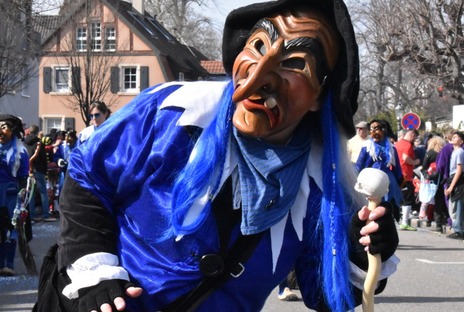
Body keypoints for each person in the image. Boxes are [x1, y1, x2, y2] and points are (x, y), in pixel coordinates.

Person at [38, 1, 399, 311]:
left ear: (321, 95)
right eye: (258, 46)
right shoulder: (171, 114)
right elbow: (88, 174)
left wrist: (361, 248)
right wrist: (96, 272)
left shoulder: (320, 189)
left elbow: (327, 294)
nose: (259, 76)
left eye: (295, 63)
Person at [0, 114, 29, 276]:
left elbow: (23, 175)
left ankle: (9, 263)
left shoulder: (21, 151)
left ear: (13, 131)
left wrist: (23, 196)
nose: (0, 131)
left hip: (11, 191)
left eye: (5, 127)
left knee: (11, 225)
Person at [355, 119, 404, 223]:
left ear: (384, 130)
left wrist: (399, 182)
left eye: (376, 129)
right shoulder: (367, 146)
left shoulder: (391, 147)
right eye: (371, 129)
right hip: (370, 178)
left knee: (386, 207)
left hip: (387, 180)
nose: (373, 133)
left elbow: (397, 168)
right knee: (369, 206)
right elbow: (359, 165)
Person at [395, 128, 420, 230]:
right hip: (406, 176)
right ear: (412, 136)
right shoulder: (408, 145)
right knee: (407, 199)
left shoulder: (398, 143)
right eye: (415, 138)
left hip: (397, 174)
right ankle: (405, 222)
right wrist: (415, 162)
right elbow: (405, 158)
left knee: (398, 199)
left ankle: (397, 219)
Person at [445, 131, 464, 239]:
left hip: (458, 181)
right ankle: (458, 228)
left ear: (461, 141)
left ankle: (458, 230)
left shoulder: (460, 152)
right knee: (453, 205)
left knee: (457, 206)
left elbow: (459, 170)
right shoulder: (454, 151)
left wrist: (451, 187)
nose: (453, 137)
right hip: (452, 179)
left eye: (456, 137)